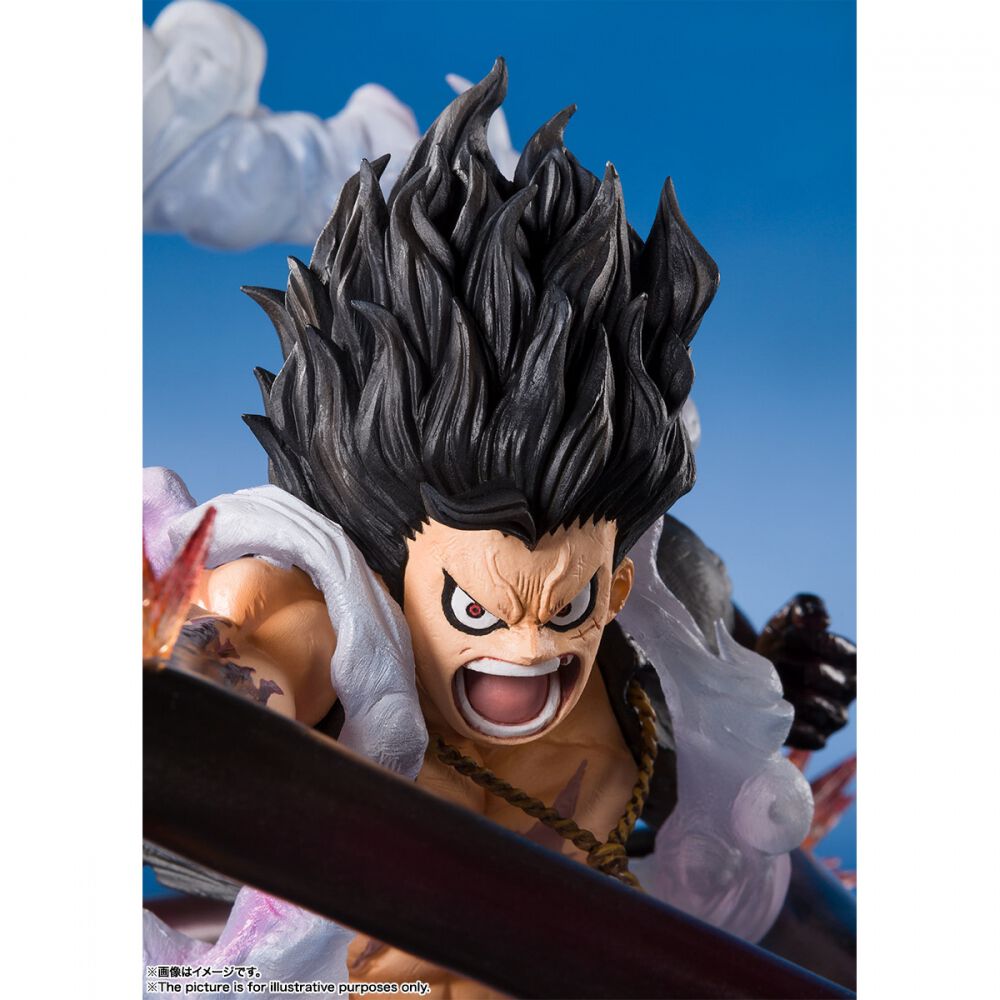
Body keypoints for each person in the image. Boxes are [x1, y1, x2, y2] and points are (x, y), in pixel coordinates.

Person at [144, 60, 850, 993]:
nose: (528, 648)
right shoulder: (314, 610)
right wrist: (196, 676)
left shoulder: (657, 633)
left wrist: (776, 678)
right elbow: (224, 668)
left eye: (567, 607)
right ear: (391, 574)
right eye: (478, 610)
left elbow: (756, 868)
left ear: (615, 586)